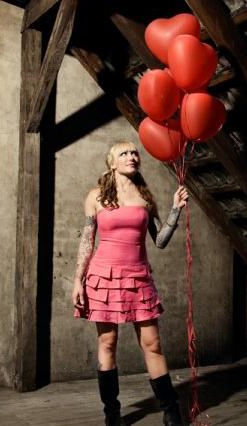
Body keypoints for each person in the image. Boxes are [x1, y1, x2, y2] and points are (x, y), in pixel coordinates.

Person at [72, 141, 189, 426]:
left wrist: (175, 211)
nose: (131, 156)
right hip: (103, 278)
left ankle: (171, 411)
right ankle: (112, 415)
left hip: (138, 277)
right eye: (123, 153)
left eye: (134, 152)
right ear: (112, 162)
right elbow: (87, 241)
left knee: (152, 344)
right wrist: (78, 281)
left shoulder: (145, 198)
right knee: (107, 342)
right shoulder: (96, 196)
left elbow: (159, 241)